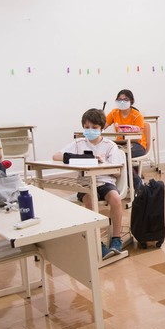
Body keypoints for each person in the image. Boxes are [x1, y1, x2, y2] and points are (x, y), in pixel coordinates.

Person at [53, 109, 127, 258]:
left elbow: (117, 171)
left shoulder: (110, 146)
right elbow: (56, 156)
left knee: (116, 199)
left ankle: (116, 239)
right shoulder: (78, 143)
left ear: (101, 128)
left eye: (94, 128)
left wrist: (102, 162)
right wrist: (79, 157)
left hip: (105, 182)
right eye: (87, 127)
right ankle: (97, 241)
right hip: (85, 184)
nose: (90, 130)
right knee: (89, 200)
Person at [105, 89, 150, 158]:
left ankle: (130, 168)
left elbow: (138, 138)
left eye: (125, 99)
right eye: (119, 99)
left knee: (122, 154)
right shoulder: (114, 113)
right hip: (120, 144)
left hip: (137, 145)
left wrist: (124, 139)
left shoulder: (137, 116)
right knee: (107, 151)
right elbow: (102, 126)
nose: (122, 102)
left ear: (131, 101)